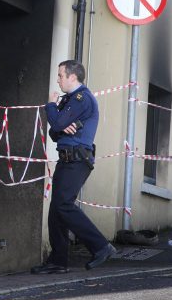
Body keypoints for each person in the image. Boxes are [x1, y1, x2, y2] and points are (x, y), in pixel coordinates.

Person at [31, 60, 116, 274]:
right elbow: (54, 132)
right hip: (66, 160)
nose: (58, 79)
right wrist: (60, 123)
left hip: (77, 160)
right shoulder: (70, 100)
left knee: (63, 206)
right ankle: (58, 261)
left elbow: (57, 123)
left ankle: (101, 246)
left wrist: (51, 106)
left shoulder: (81, 98)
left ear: (72, 77)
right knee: (56, 211)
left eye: (60, 75)